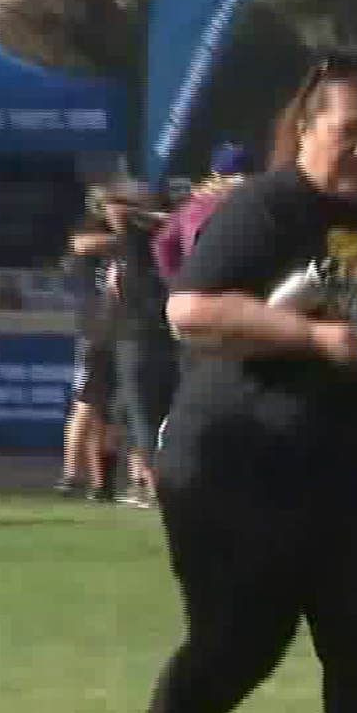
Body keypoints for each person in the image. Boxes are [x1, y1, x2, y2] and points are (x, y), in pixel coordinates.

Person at [98, 53, 357, 713]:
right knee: (234, 648)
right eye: (349, 133)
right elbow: (190, 311)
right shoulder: (268, 207)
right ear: (307, 129)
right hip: (243, 475)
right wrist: (309, 332)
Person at [99, 180, 178, 508]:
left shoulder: (140, 239)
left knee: (144, 414)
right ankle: (130, 480)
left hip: (140, 336)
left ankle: (158, 486)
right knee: (122, 411)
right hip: (149, 333)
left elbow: (117, 212)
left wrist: (132, 209)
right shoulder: (166, 237)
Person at [58, 186, 120, 500]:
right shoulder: (89, 233)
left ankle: (101, 482)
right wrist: (127, 237)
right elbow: (81, 245)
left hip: (117, 332)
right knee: (85, 405)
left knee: (106, 413)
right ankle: (71, 474)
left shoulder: (121, 242)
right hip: (94, 334)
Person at [152, 142, 253, 284]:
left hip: (200, 282)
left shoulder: (192, 203)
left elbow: (162, 243)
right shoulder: (250, 196)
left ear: (214, 171)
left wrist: (177, 282)